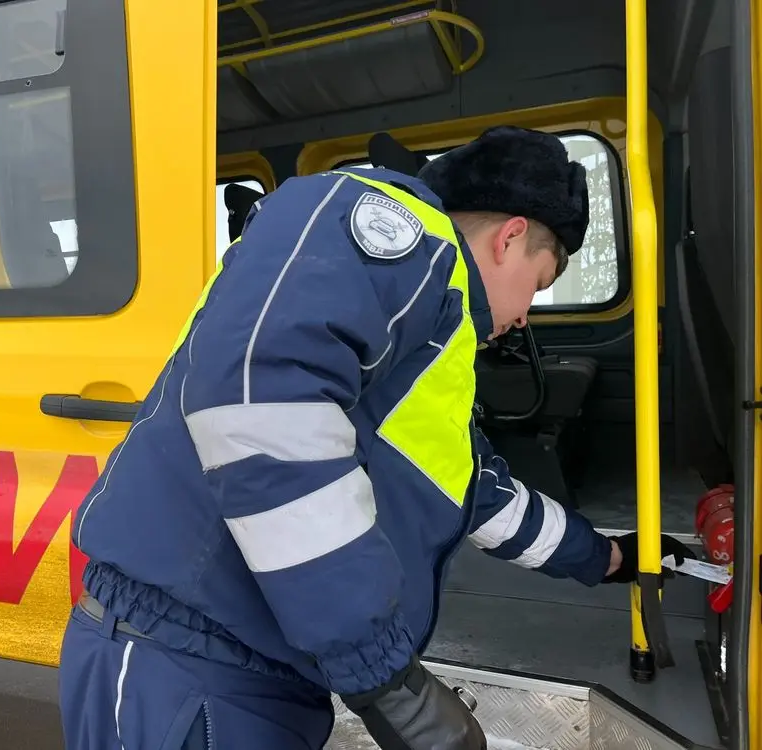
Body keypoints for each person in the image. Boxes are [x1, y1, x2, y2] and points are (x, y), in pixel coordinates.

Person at [58, 125, 693, 750]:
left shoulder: (432, 339)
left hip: (255, 675)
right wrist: (386, 681)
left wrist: (609, 559)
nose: (526, 313)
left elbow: (481, 492)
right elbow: (262, 407)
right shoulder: (391, 233)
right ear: (511, 238)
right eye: (540, 282)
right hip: (188, 660)